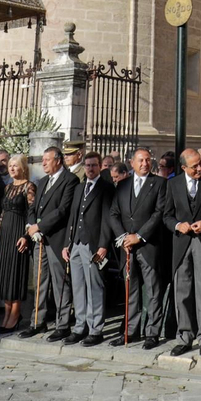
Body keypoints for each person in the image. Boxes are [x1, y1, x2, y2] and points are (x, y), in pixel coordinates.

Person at [161, 148, 201, 355]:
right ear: (183, 167)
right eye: (194, 166)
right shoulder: (173, 184)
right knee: (182, 291)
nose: (199, 168)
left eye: (200, 163)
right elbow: (166, 215)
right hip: (181, 243)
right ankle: (184, 335)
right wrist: (178, 225)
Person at [108, 147, 165, 348]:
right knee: (130, 291)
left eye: (148, 160)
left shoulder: (159, 184)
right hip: (127, 249)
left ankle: (152, 333)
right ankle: (130, 331)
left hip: (148, 246)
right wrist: (123, 237)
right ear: (132, 163)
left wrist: (139, 236)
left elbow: (158, 213)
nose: (144, 164)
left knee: (152, 291)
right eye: (140, 160)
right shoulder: (122, 185)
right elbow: (113, 213)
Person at [24, 146, 79, 340]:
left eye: (47, 160)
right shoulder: (43, 181)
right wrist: (32, 225)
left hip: (57, 238)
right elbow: (34, 207)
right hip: (39, 239)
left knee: (60, 283)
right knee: (39, 281)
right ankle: (37, 322)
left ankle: (62, 323)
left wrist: (40, 227)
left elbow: (63, 210)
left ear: (58, 160)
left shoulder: (70, 180)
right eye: (43, 160)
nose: (44, 163)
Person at [66, 141, 113, 345]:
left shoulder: (106, 188)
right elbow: (73, 217)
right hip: (76, 243)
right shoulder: (79, 188)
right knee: (78, 286)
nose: (90, 169)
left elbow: (107, 219)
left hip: (93, 243)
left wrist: (103, 245)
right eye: (87, 165)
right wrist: (67, 243)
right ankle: (79, 326)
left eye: (94, 165)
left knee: (94, 287)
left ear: (100, 166)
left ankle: (95, 329)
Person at [0, 155, 36, 333]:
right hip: (5, 235)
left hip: (18, 233)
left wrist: (26, 235)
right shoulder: (8, 187)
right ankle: (7, 312)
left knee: (15, 274)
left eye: (15, 166)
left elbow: (31, 213)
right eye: (10, 165)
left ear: (23, 167)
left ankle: (15, 314)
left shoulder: (29, 187)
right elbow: (3, 212)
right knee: (4, 273)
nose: (11, 168)